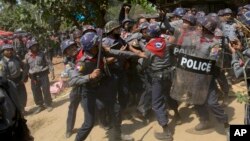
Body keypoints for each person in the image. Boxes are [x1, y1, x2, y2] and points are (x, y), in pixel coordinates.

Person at [71, 32, 146, 141]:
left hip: (101, 87)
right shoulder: (82, 62)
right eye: (96, 44)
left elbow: (118, 53)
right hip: (88, 92)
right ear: (91, 48)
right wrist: (89, 76)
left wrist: (136, 54)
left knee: (116, 110)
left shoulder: (101, 51)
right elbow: (72, 80)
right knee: (89, 123)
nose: (99, 44)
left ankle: (117, 136)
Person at [24, 40, 55, 114]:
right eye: (33, 46)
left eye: (36, 45)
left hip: (43, 74)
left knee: (46, 90)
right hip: (33, 76)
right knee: (35, 91)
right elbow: (26, 67)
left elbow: (49, 63)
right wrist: (25, 76)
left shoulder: (42, 54)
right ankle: (40, 105)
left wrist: (52, 72)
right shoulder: (27, 56)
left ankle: (48, 104)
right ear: (30, 47)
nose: (35, 47)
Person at [0, 44, 28, 114]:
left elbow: (23, 66)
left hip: (19, 79)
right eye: (7, 50)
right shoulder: (2, 63)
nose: (10, 52)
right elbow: (2, 75)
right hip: (10, 82)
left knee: (23, 95)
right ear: (3, 52)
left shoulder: (16, 58)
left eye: (11, 50)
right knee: (14, 97)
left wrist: (24, 77)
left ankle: (23, 109)